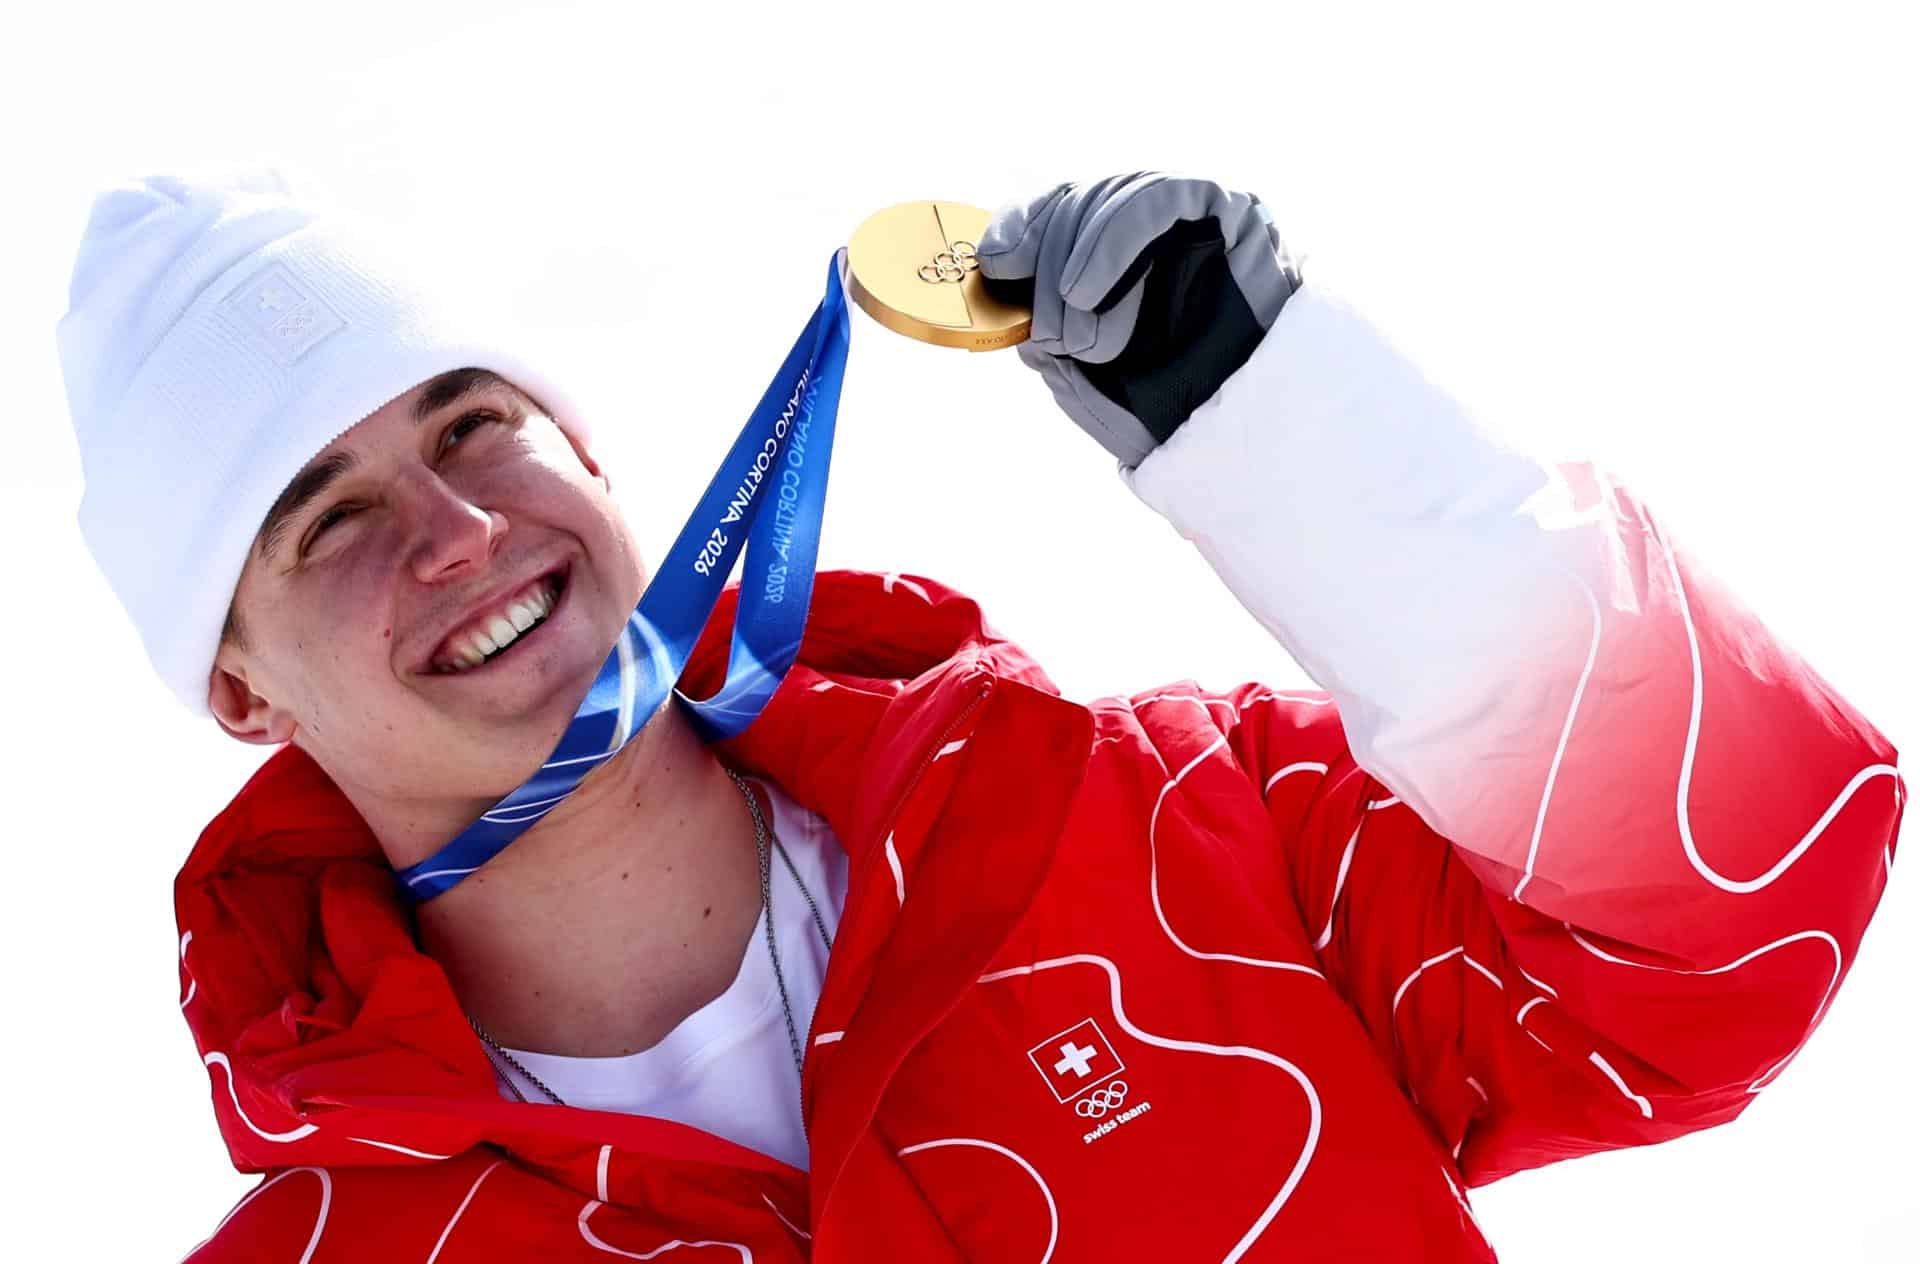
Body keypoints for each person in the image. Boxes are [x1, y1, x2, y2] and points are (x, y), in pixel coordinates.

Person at [58, 169, 1903, 1262]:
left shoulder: (1172, 834)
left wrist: (1300, 432)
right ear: (238, 688)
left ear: (591, 460)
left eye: (472, 427)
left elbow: (1731, 921)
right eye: (330, 520)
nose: (459, 533)